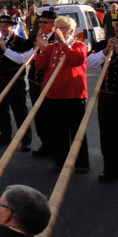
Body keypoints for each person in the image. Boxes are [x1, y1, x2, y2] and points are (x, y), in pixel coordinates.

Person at [34, 15, 89, 173]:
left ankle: (81, 162)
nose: (59, 31)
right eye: (57, 28)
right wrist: (43, 50)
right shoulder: (51, 47)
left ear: (71, 31)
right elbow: (40, 65)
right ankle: (61, 160)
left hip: (73, 93)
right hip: (53, 93)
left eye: (63, 28)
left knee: (77, 130)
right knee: (58, 130)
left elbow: (76, 60)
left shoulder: (79, 45)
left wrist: (64, 44)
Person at [0, 15, 34, 151]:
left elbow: (20, 59)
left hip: (14, 80)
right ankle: (4, 134)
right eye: (1, 26)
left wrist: (5, 48)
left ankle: (26, 139)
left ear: (12, 27)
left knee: (19, 110)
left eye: (6, 26)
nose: (3, 29)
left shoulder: (21, 42)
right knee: (0, 108)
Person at [88, 18, 118, 181]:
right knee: (107, 133)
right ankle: (110, 168)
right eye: (116, 27)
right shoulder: (105, 43)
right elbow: (90, 63)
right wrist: (106, 50)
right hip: (107, 97)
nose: (117, 30)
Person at [27, 11, 57, 157]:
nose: (42, 25)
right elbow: (24, 54)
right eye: (40, 22)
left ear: (54, 24)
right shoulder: (35, 37)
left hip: (50, 83)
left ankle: (55, 145)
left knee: (52, 115)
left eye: (45, 22)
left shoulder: (58, 39)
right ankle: (45, 143)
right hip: (34, 81)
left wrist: (44, 47)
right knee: (38, 114)